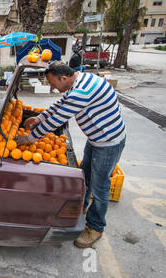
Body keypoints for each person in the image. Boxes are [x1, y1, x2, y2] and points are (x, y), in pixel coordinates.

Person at [16, 61, 126, 248]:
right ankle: (80, 210)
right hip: (97, 139)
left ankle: (95, 228)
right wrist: (40, 117)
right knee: (86, 177)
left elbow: (57, 120)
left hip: (108, 143)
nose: (51, 88)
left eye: (52, 83)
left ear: (64, 78)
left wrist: (29, 138)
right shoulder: (80, 80)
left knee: (100, 188)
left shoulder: (80, 93)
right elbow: (61, 103)